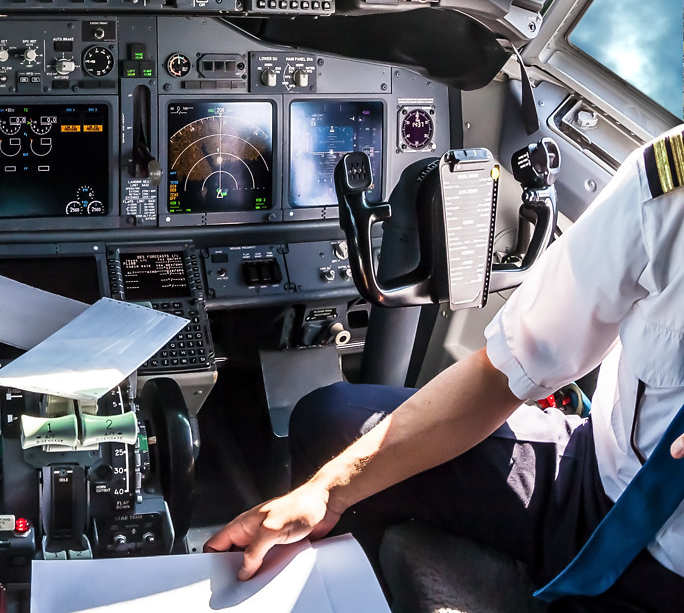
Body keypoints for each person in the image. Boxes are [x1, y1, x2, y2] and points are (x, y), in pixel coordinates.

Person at [205, 126, 684, 611]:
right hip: (592, 480)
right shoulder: (667, 190)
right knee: (333, 420)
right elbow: (504, 371)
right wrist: (325, 493)